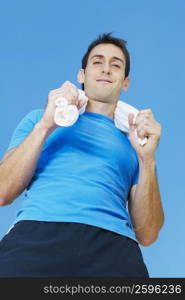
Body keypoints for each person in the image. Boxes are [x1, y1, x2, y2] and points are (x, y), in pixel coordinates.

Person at [0, 33, 164, 277]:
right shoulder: (38, 120)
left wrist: (147, 159)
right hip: (37, 236)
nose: (106, 69)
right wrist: (46, 124)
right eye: (97, 61)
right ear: (82, 75)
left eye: (116, 65)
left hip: (114, 249)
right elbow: (3, 191)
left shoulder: (136, 142)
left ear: (125, 82)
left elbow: (148, 234)